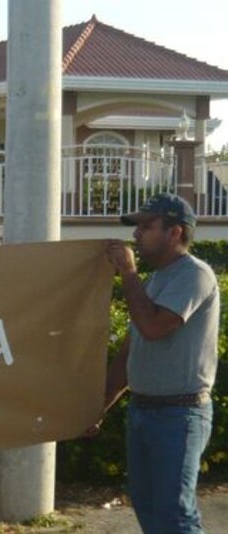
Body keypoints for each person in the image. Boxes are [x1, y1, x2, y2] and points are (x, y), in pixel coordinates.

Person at [99, 193, 218, 533]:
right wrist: (99, 406)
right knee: (150, 509)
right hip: (145, 412)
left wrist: (128, 271)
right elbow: (130, 351)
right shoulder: (157, 280)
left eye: (146, 226)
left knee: (173, 514)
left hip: (179, 415)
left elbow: (152, 328)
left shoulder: (195, 275)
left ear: (175, 232)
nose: (136, 234)